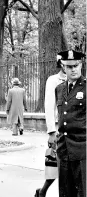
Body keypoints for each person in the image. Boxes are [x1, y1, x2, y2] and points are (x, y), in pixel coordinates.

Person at [55, 50, 86, 197]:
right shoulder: (59, 89)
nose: (73, 69)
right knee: (65, 191)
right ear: (63, 67)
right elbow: (62, 116)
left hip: (82, 149)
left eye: (76, 65)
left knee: (83, 190)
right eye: (69, 66)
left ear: (81, 65)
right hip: (63, 148)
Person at [35, 55, 66, 197]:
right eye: (66, 64)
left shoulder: (80, 80)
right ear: (60, 64)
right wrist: (52, 131)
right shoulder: (53, 80)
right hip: (59, 130)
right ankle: (42, 192)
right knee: (53, 164)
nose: (70, 67)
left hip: (76, 129)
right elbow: (49, 106)